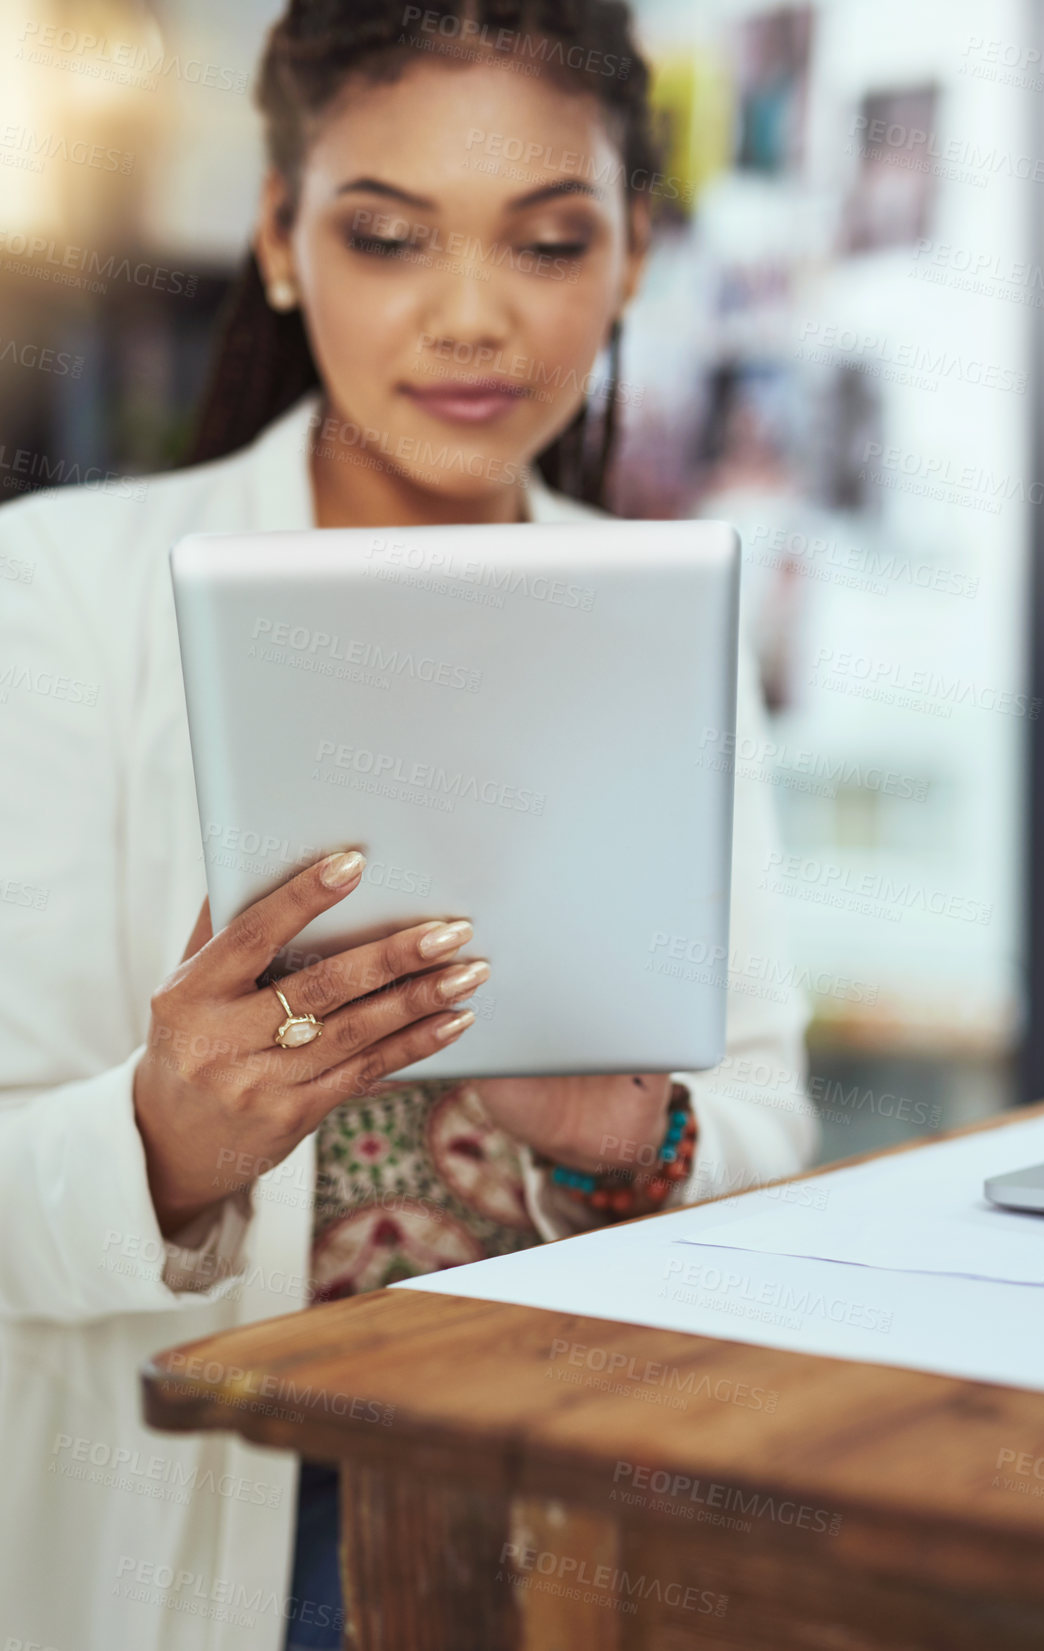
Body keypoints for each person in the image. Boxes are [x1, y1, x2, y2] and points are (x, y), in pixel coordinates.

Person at [0, 4, 814, 1648]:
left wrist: (631, 1138)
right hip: (234, 1526)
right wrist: (167, 1137)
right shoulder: (62, 593)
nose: (469, 318)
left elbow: (771, 1139)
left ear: (633, 253)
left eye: (546, 241)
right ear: (283, 244)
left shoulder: (669, 615)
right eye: (388, 237)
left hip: (590, 1509)